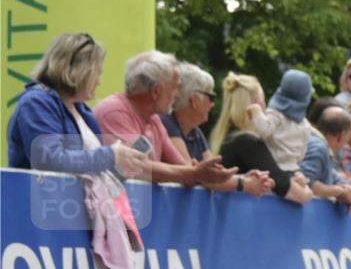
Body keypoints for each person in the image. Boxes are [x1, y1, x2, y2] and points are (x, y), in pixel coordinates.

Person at [8, 32, 149, 178]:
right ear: (80, 71)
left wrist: (121, 169)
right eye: (97, 74)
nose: (99, 82)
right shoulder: (36, 102)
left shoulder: (83, 112)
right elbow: (49, 161)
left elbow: (90, 170)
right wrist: (111, 155)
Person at [95, 51, 235, 186]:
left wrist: (197, 173)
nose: (177, 95)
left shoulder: (154, 120)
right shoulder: (114, 112)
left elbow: (182, 167)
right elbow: (133, 166)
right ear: (156, 91)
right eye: (174, 88)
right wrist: (194, 173)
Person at [160, 62, 273, 197]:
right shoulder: (167, 124)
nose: (213, 104)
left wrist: (242, 177)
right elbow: (191, 175)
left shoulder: (195, 132)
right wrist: (244, 182)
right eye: (211, 97)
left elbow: (215, 174)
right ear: (194, 100)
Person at [209, 73, 314, 204]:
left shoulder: (229, 137)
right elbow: (285, 186)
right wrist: (307, 190)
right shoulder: (246, 142)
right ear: (257, 105)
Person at [247, 69, 313, 171]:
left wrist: (256, 111)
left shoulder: (275, 115)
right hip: (293, 169)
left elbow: (264, 130)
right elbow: (301, 154)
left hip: (272, 167)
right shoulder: (305, 125)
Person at [300, 105, 351, 204]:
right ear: (342, 135)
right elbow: (305, 183)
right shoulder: (318, 148)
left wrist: (349, 188)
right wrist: (338, 192)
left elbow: (331, 175)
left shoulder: (321, 147)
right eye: (347, 140)